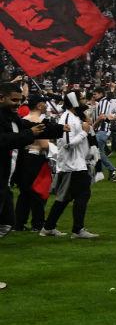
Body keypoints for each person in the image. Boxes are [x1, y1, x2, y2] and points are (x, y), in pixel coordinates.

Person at [40, 91, 98, 239]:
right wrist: (84, 133)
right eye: (82, 98)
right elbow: (67, 144)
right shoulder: (67, 118)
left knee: (65, 198)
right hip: (72, 164)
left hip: (76, 163)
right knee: (83, 194)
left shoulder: (74, 116)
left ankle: (48, 227)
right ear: (74, 101)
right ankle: (77, 230)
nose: (85, 100)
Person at [1, 81, 53, 239]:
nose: (18, 103)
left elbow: (24, 131)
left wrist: (59, 129)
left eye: (20, 100)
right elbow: (6, 140)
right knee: (33, 194)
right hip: (27, 162)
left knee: (9, 219)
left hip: (12, 170)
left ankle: (21, 223)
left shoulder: (15, 117)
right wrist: (30, 134)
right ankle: (37, 223)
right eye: (15, 100)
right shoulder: (9, 118)